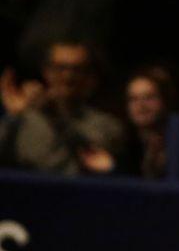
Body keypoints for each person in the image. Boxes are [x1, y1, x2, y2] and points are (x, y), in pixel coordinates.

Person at [0, 41, 125, 175]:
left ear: (90, 77)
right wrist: (13, 117)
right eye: (60, 68)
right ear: (46, 71)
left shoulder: (107, 126)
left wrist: (50, 113)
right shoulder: (24, 118)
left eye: (77, 69)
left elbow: (83, 163)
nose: (68, 76)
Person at [121, 66, 176, 180]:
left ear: (166, 100)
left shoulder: (178, 145)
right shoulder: (121, 145)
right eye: (133, 99)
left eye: (149, 97)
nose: (141, 105)